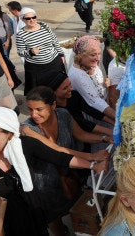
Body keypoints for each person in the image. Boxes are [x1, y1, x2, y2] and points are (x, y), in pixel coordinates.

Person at [0, 106, 107, 236]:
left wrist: (92, 165)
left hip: (31, 215)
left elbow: (61, 158)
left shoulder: (25, 146)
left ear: (10, 134)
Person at [20, 86, 110, 235]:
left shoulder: (63, 114)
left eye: (39, 109)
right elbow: (57, 150)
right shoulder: (28, 129)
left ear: (53, 105)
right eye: (30, 109)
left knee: (76, 209)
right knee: (55, 220)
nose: (33, 114)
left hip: (70, 173)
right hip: (44, 183)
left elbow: (80, 135)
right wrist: (92, 158)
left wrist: (105, 138)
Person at [37, 70, 114, 142]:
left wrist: (114, 122)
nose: (70, 89)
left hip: (85, 131)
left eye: (70, 84)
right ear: (52, 92)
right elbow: (81, 125)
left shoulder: (74, 95)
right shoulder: (56, 110)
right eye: (65, 88)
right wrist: (110, 132)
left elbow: (91, 111)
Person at [15, 7, 65, 95]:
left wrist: (61, 54)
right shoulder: (21, 34)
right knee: (41, 92)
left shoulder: (44, 26)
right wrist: (30, 52)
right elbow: (20, 52)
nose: (32, 20)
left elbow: (54, 40)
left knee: (58, 87)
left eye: (34, 17)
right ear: (23, 20)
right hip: (37, 68)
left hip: (54, 62)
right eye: (28, 18)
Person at [68, 35, 115, 122]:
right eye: (93, 55)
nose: (98, 58)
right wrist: (118, 117)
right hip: (96, 116)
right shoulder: (78, 75)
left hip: (105, 108)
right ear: (81, 55)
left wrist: (106, 84)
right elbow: (95, 102)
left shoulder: (91, 64)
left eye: (99, 53)